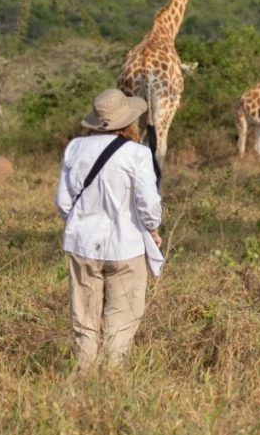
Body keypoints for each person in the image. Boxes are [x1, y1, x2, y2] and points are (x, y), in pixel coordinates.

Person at [55, 88, 162, 371]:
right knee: (121, 322)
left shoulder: (75, 148)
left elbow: (63, 203)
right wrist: (151, 228)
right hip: (127, 247)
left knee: (85, 322)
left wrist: (84, 224)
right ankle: (110, 380)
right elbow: (149, 206)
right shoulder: (138, 154)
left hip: (82, 245)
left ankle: (84, 380)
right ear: (128, 121)